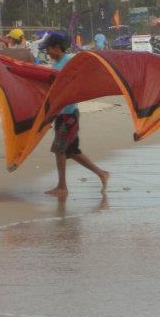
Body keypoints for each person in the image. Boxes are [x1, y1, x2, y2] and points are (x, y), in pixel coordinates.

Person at [40, 33, 109, 198]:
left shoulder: (70, 60)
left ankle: (62, 186)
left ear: (57, 47)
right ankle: (101, 174)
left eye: (48, 49)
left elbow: (83, 75)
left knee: (60, 149)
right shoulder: (56, 64)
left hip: (69, 114)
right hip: (61, 113)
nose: (47, 52)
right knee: (71, 151)